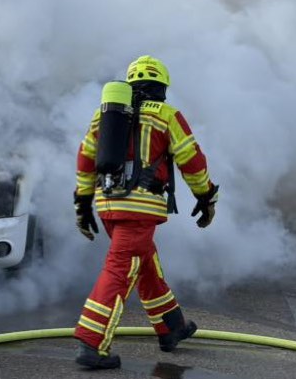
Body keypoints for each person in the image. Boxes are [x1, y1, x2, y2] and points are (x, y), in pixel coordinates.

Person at [72, 56, 219, 369]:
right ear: (161, 87)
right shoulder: (167, 115)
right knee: (120, 268)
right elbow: (191, 159)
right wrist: (206, 196)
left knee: (145, 263)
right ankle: (91, 342)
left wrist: (83, 205)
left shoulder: (106, 116)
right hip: (139, 209)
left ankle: (171, 327)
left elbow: (85, 159)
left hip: (108, 206)